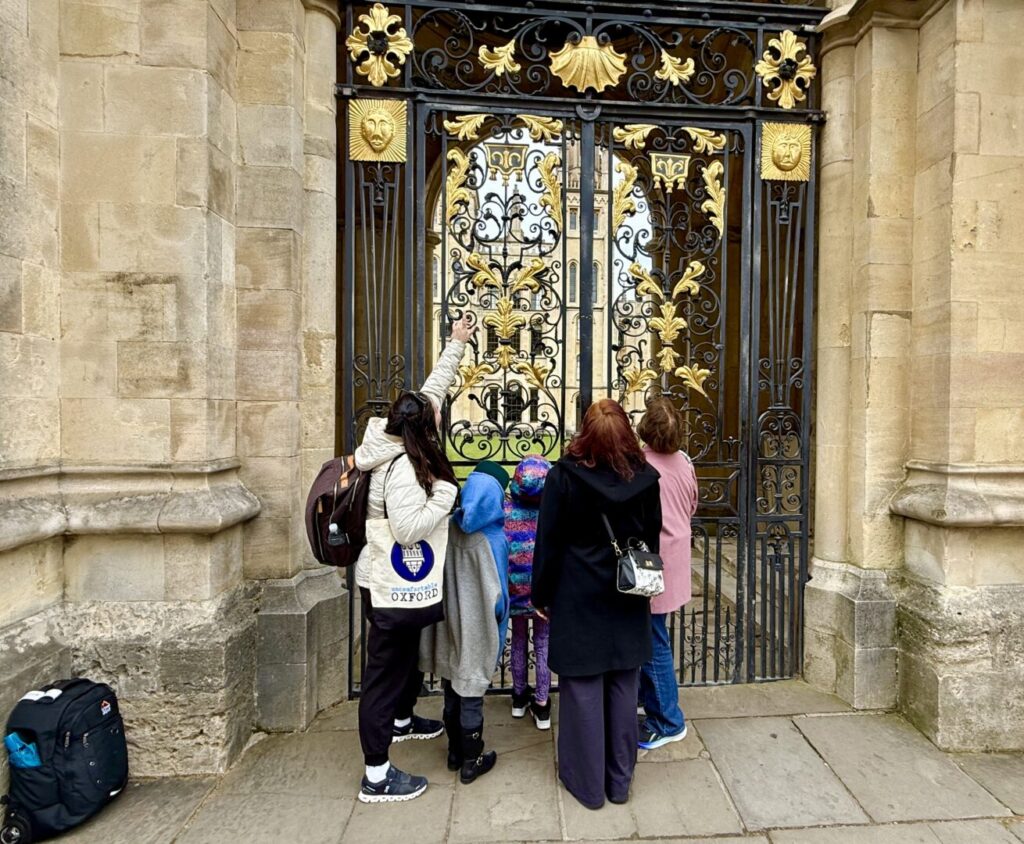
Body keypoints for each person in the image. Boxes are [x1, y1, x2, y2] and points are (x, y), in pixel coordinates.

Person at [353, 314, 475, 804]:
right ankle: (376, 775)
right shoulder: (404, 468)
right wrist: (444, 496)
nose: (441, 415)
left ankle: (402, 721)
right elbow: (406, 529)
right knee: (382, 672)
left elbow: (432, 390)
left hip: (388, 578)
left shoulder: (394, 434)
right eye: (436, 417)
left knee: (401, 657)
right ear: (424, 428)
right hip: (385, 578)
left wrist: (455, 345)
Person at [533, 399, 662, 810]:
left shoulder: (563, 477)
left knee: (583, 687)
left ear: (584, 434)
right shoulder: (645, 479)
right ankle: (618, 781)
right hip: (626, 592)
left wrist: (540, 594)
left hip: (577, 593)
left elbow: (547, 543)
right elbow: (652, 539)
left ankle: (587, 784)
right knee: (624, 685)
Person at [420, 461, 510, 784]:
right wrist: (500, 616)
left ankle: (454, 751)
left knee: (452, 682)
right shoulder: (494, 539)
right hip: (476, 624)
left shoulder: (450, 527)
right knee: (471, 687)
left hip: (450, 621)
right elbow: (499, 593)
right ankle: (472, 758)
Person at [636, 397, 699, 750]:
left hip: (651, 564)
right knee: (654, 634)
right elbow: (692, 503)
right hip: (675, 560)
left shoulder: (641, 465)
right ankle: (651, 700)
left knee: (653, 643)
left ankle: (668, 720)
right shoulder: (684, 462)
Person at [504, 454, 553, 729]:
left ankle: (519, 696)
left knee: (519, 640)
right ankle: (542, 703)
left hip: (514, 588)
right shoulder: (550, 511)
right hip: (541, 591)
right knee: (543, 643)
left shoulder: (507, 508)